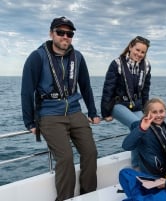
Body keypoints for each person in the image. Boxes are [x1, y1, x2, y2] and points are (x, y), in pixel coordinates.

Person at [21, 16, 100, 201]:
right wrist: (29, 122)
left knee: (91, 152)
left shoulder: (78, 57)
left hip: (74, 110)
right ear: (51, 33)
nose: (65, 36)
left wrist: (93, 112)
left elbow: (86, 87)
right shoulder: (37, 57)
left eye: (69, 33)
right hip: (49, 114)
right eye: (61, 32)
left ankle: (88, 195)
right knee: (65, 159)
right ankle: (65, 199)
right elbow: (26, 91)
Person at [101, 35, 151, 167]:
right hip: (118, 104)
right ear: (130, 47)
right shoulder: (117, 64)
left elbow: (145, 90)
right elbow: (108, 89)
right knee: (137, 125)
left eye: (142, 52)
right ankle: (136, 166)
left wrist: (146, 110)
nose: (139, 54)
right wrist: (105, 113)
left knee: (146, 128)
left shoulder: (146, 66)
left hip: (136, 105)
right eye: (137, 50)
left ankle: (144, 164)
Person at [122, 98, 166, 177]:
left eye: (161, 111)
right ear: (146, 114)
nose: (159, 115)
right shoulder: (141, 127)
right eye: (154, 112)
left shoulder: (164, 127)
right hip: (151, 174)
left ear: (165, 112)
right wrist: (142, 129)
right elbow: (126, 146)